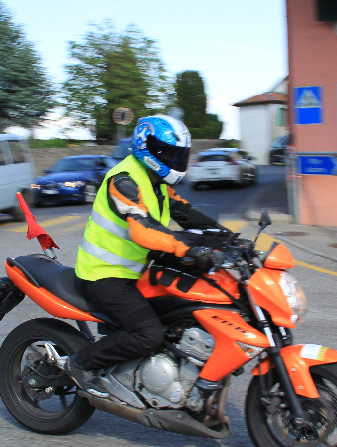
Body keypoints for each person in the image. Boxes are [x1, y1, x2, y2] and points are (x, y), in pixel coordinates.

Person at [65, 115, 221, 397]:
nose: (175, 160)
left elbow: (188, 214)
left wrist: (229, 239)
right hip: (104, 275)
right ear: (146, 147)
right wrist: (190, 249)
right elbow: (144, 230)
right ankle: (80, 364)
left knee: (184, 313)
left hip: (136, 272)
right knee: (149, 334)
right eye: (169, 153)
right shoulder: (124, 180)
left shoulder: (158, 183)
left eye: (179, 155)